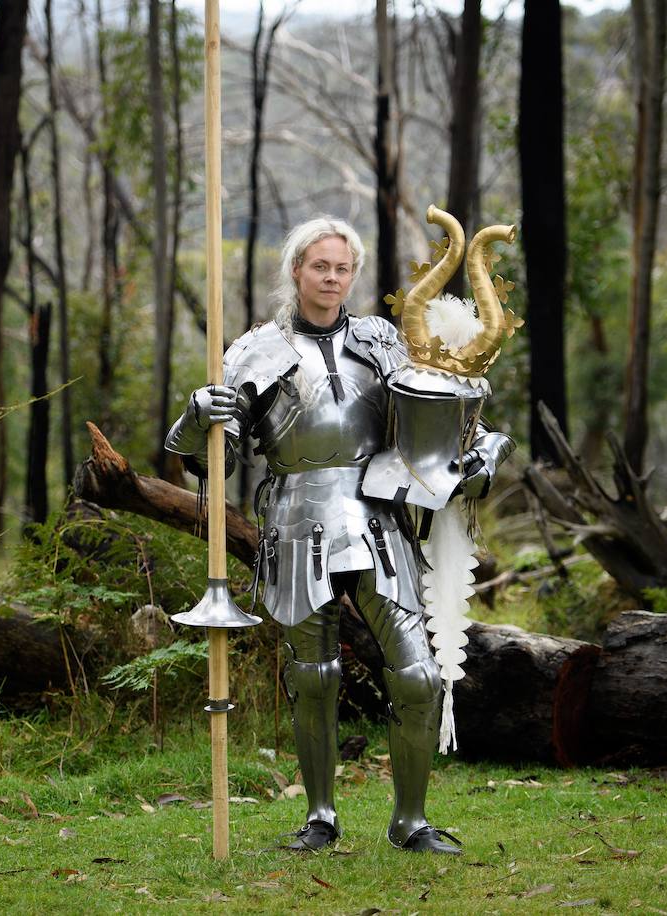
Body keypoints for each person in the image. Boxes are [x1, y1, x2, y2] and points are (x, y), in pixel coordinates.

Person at [164, 216, 511, 854]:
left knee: (419, 676)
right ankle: (320, 817)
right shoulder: (254, 351)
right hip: (299, 520)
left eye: (342, 268)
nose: (331, 278)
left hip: (380, 519)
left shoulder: (385, 340)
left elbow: (442, 413)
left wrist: (484, 448)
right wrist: (198, 415)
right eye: (319, 266)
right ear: (296, 270)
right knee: (315, 674)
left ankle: (410, 821)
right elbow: (213, 456)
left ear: (353, 274)